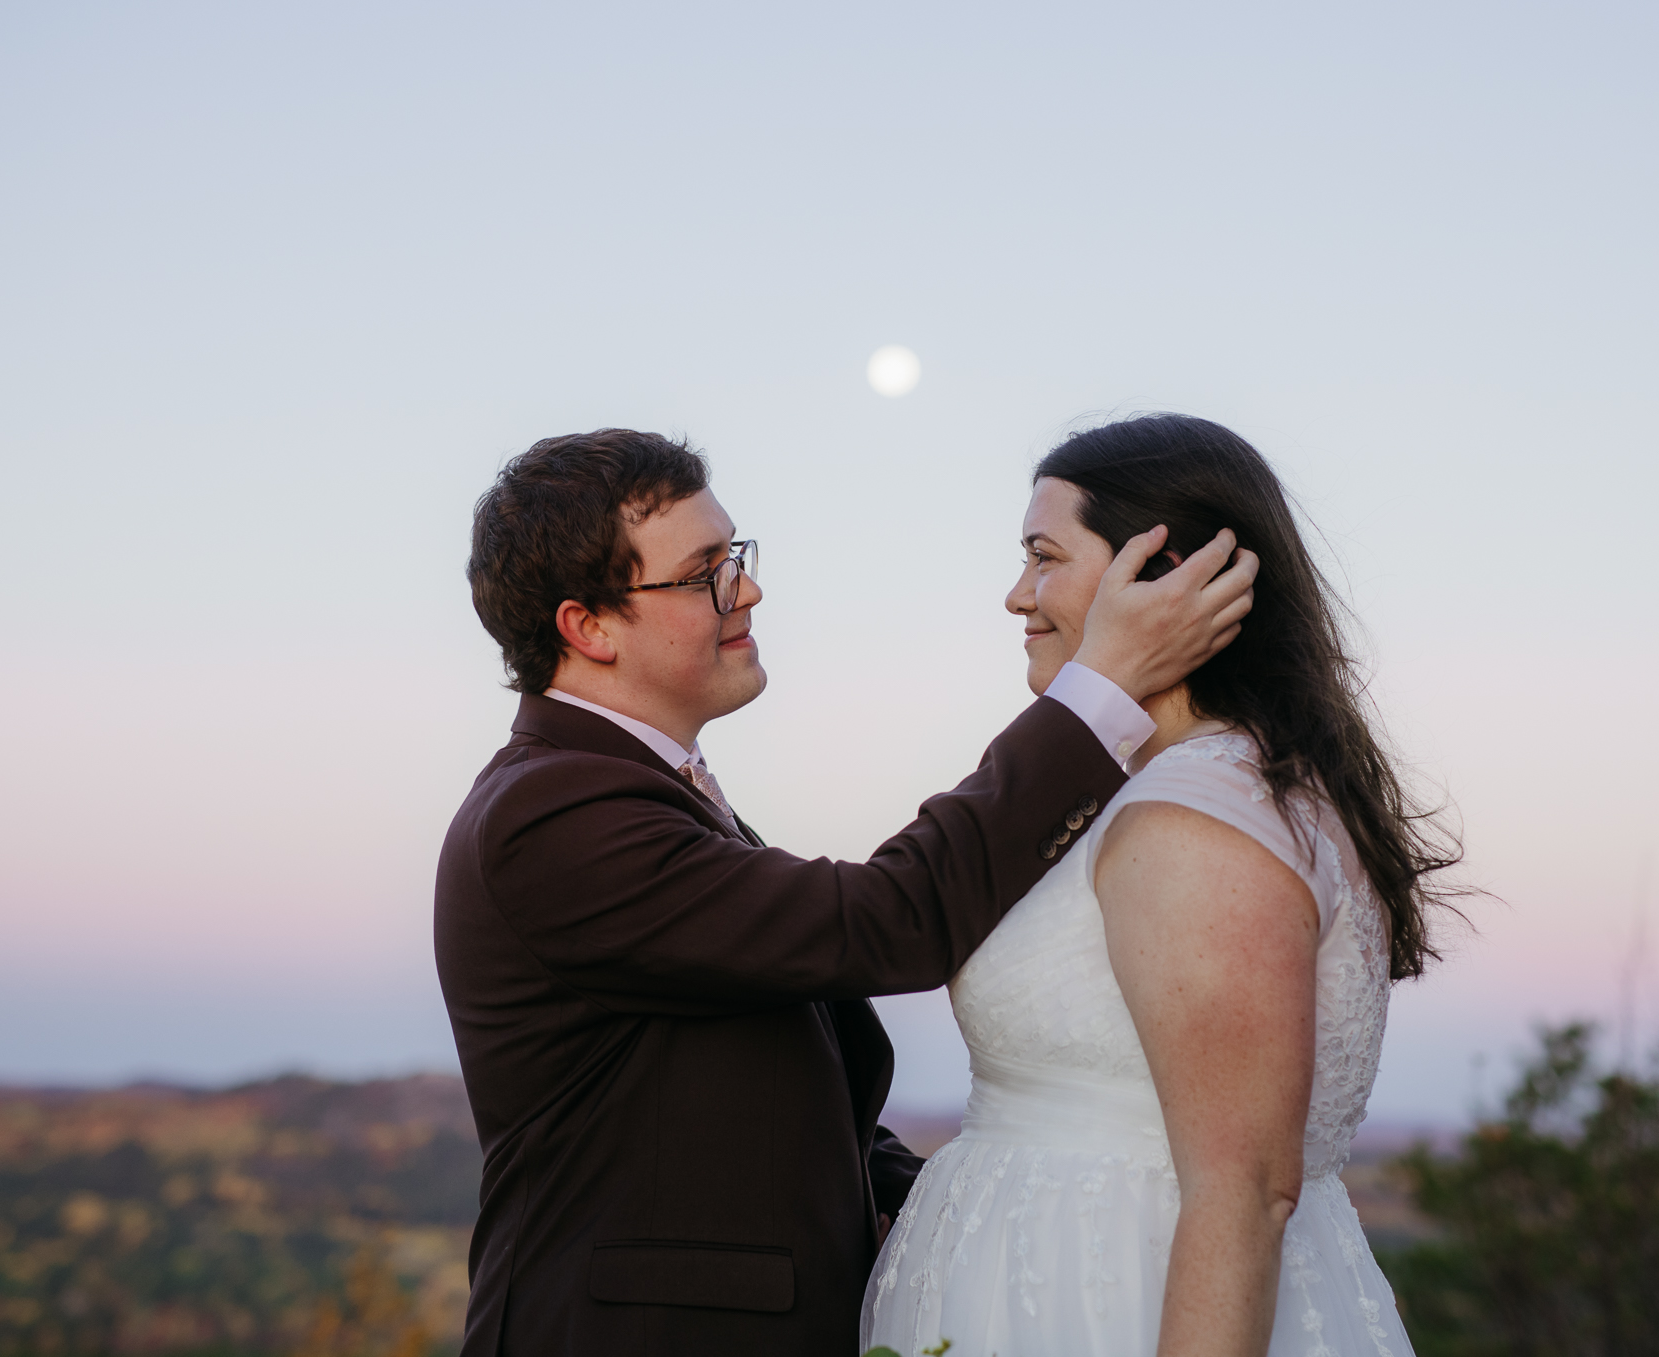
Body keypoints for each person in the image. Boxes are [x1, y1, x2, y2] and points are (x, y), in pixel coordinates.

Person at [433, 428, 1259, 1357]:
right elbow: (885, 921)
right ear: (589, 627)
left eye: (735, 556)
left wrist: (981, 1217)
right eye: (703, 571)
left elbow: (774, 1104)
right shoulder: (553, 813)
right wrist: (1099, 693)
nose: (745, 589)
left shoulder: (650, 790)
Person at [862, 414, 1461, 1357]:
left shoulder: (1196, 814)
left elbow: (1243, 1189)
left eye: (1043, 555)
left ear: (1160, 571)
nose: (1018, 594)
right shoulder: (1163, 786)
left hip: (1119, 1305)